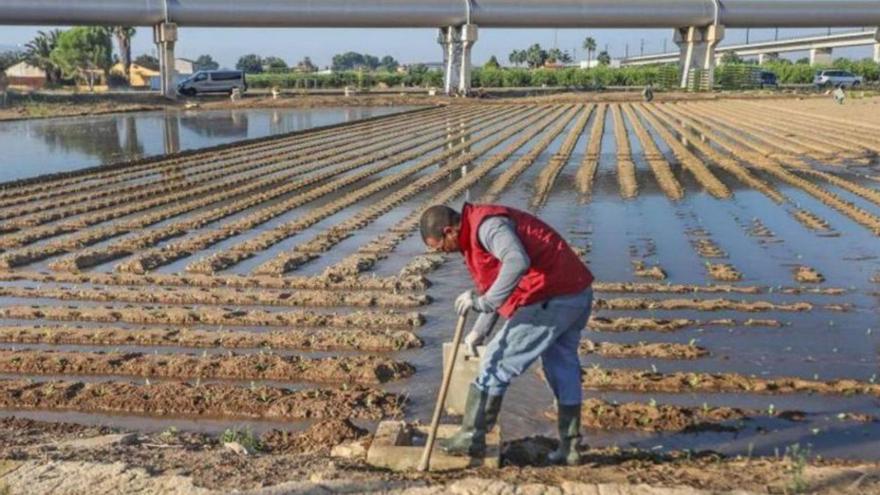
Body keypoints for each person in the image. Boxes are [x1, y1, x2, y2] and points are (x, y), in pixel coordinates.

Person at [419, 203, 594, 465]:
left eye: (439, 246)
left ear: (448, 231)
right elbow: (498, 284)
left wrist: (483, 302)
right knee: (561, 367)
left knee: (496, 361)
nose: (442, 252)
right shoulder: (476, 229)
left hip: (551, 295)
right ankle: (571, 447)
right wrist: (480, 331)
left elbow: (516, 261)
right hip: (574, 292)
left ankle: (472, 436)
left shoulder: (488, 227)